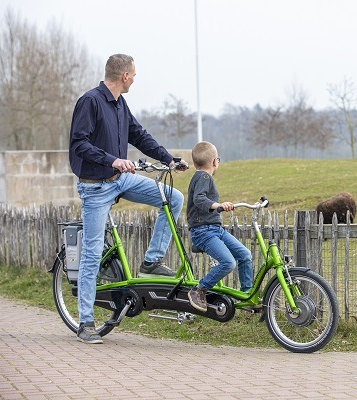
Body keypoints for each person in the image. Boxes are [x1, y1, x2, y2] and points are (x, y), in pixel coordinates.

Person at [69, 54, 186, 344]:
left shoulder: (120, 104)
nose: (135, 79)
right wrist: (113, 160)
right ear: (123, 76)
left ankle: (151, 261)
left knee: (173, 198)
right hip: (95, 186)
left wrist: (168, 158)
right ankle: (85, 322)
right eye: (133, 74)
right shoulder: (91, 101)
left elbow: (138, 135)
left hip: (120, 180)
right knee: (92, 253)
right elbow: (79, 144)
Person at [186, 141, 253, 312]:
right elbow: (199, 200)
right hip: (203, 231)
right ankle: (199, 290)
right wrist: (218, 205)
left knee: (245, 255)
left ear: (195, 162)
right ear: (215, 161)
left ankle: (247, 295)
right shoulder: (203, 177)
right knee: (228, 262)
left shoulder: (201, 177)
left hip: (215, 230)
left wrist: (219, 206)